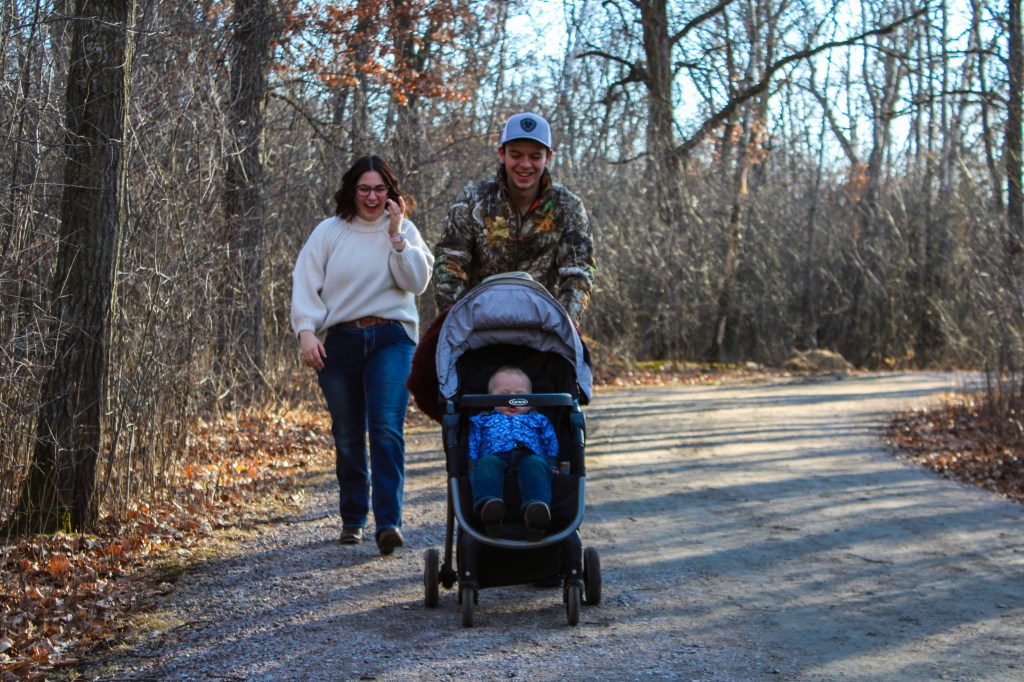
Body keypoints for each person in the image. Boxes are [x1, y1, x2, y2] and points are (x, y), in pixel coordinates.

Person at [291, 155, 434, 555]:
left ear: (391, 193)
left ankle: (388, 523)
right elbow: (305, 282)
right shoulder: (329, 232)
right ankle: (353, 518)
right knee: (348, 434)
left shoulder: (405, 230)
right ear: (352, 191)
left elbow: (417, 282)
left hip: (392, 338)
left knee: (386, 428)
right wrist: (306, 331)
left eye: (379, 189)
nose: (372, 197)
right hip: (341, 340)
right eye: (364, 189)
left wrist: (396, 236)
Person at [432, 112, 596, 325]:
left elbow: (579, 273)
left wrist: (563, 325)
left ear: (548, 157)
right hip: (477, 323)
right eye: (516, 155)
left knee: (578, 347)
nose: (525, 164)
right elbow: (449, 263)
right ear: (502, 153)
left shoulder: (568, 207)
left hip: (542, 326)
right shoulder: (472, 201)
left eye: (535, 156)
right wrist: (459, 320)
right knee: (430, 345)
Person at [468, 366, 560, 541]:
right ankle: (489, 508)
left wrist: (552, 462)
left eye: (520, 396)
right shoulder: (483, 419)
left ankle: (536, 511)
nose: (512, 400)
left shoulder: (538, 419)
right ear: (490, 398)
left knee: (536, 465)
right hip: (494, 455)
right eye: (504, 395)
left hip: (530, 455)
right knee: (485, 464)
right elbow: (473, 442)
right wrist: (472, 464)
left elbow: (550, 440)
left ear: (531, 399)